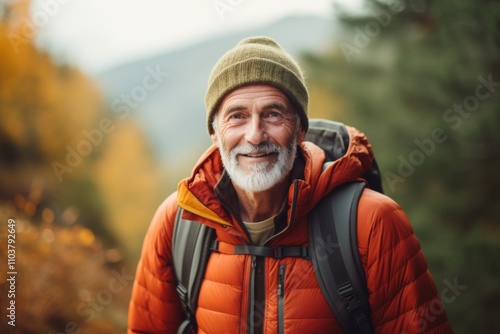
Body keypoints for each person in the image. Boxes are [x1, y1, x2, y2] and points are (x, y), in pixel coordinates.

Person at [127, 36, 453, 333]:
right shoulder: (178, 222)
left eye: (272, 115)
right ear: (215, 134)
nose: (254, 135)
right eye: (237, 116)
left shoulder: (372, 223)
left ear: (299, 131)